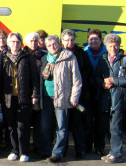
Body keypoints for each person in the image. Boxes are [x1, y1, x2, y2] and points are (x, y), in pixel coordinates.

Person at [0, 32, 39, 162]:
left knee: (23, 125)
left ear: (21, 44)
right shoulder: (3, 59)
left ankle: (24, 151)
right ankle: (14, 150)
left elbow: (34, 79)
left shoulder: (27, 58)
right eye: (12, 42)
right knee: (11, 126)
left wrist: (35, 94)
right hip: (8, 98)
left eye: (17, 42)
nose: (15, 44)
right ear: (8, 43)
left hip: (24, 97)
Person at [95, 34, 126, 163]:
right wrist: (102, 83)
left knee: (115, 127)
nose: (113, 48)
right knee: (107, 126)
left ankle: (117, 154)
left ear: (119, 46)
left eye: (116, 45)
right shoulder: (103, 59)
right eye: (110, 46)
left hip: (119, 98)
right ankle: (112, 152)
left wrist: (114, 80)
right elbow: (95, 77)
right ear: (106, 46)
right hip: (106, 99)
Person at [40, 35, 82, 163]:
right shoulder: (44, 58)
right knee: (45, 126)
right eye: (49, 45)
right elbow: (42, 77)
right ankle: (44, 150)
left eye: (55, 44)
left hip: (62, 97)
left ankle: (57, 153)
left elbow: (77, 80)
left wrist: (74, 97)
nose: (52, 47)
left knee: (61, 126)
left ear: (59, 44)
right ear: (46, 47)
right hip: (46, 96)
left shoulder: (69, 57)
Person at [61, 29, 92, 159]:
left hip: (77, 95)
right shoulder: (58, 53)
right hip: (62, 95)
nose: (70, 42)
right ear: (62, 41)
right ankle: (63, 150)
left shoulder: (81, 54)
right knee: (62, 125)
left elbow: (87, 71)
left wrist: (76, 85)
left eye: (72, 39)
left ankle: (80, 150)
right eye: (67, 40)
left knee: (77, 124)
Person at [23, 32, 47, 155]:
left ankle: (38, 146)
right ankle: (25, 147)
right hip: (26, 93)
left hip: (42, 92)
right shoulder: (22, 55)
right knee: (26, 122)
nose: (33, 43)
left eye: (35, 41)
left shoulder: (45, 55)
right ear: (26, 42)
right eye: (31, 41)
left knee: (39, 123)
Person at [84, 29, 107, 156]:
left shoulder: (106, 53)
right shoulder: (84, 52)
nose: (93, 41)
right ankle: (87, 145)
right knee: (87, 120)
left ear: (100, 40)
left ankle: (100, 147)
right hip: (87, 91)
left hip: (102, 91)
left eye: (96, 39)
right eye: (91, 39)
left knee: (100, 122)